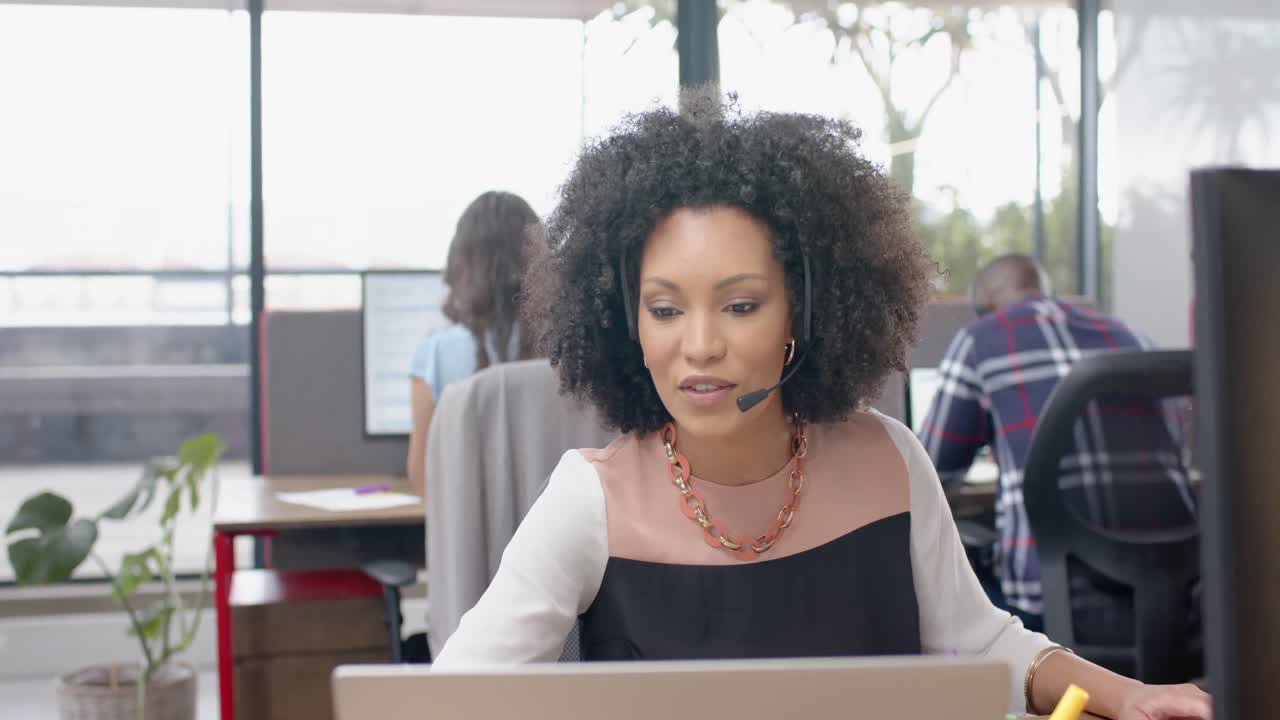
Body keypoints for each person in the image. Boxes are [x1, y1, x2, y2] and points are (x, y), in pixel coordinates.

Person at [432, 92, 1210, 719]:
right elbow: (454, 700)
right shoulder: (592, 498)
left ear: (802, 312)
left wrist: (1131, 695)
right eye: (665, 310)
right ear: (624, 321)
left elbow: (980, 645)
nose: (698, 346)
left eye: (739, 306)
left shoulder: (888, 459)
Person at [918, 254, 1198, 643]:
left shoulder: (981, 339)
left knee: (955, 572)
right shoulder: (1131, 335)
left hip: (1056, 607)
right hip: (1177, 596)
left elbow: (926, 471)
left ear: (984, 307)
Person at [406, 190, 539, 495]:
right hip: (558, 538)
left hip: (468, 540)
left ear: (461, 264)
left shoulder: (435, 355)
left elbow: (421, 478)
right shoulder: (568, 351)